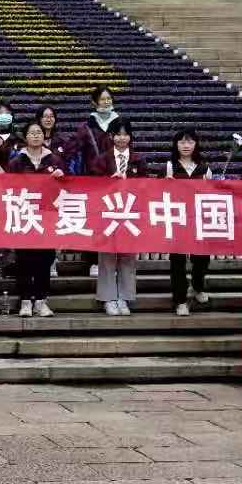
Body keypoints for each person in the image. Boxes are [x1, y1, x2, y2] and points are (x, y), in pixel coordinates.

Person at [6, 120, 66, 317]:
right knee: (24, 260)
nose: (36, 135)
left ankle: (41, 301)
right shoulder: (16, 162)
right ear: (25, 137)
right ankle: (25, 301)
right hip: (24, 216)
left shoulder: (54, 160)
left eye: (39, 132)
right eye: (32, 133)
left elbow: (66, 186)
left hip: (47, 216)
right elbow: (7, 188)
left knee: (44, 260)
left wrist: (62, 177)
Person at [94, 120, 147, 315]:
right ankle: (108, 298)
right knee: (107, 257)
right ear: (111, 136)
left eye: (125, 134)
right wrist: (109, 182)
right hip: (108, 214)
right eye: (118, 134)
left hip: (130, 214)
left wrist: (130, 182)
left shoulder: (139, 160)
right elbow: (92, 185)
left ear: (130, 137)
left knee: (128, 257)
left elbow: (145, 186)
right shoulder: (101, 159)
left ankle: (125, 297)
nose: (122, 138)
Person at [164, 128, 213, 316]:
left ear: (196, 144)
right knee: (177, 262)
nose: (186, 145)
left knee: (202, 258)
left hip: (199, 219)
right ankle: (180, 300)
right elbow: (158, 194)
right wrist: (164, 183)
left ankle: (197, 286)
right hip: (177, 220)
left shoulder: (204, 168)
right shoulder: (169, 167)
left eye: (190, 141)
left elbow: (213, 194)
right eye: (182, 142)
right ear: (176, 144)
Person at [72, 85, 123, 176]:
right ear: (94, 102)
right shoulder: (86, 127)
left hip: (117, 174)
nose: (106, 102)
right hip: (93, 175)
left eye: (109, 99)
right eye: (102, 99)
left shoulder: (120, 124)